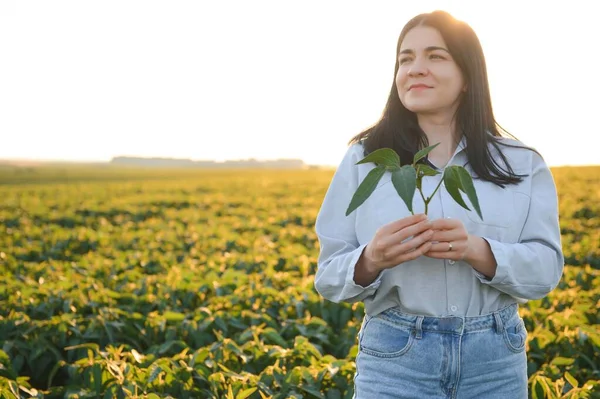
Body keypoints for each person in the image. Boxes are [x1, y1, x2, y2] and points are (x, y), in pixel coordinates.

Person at [313, 9, 564, 399]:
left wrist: (479, 252)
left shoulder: (520, 163)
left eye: (435, 56)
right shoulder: (365, 158)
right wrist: (370, 259)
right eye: (405, 59)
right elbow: (328, 275)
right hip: (396, 357)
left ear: (468, 77)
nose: (415, 69)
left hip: (494, 360)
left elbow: (547, 269)